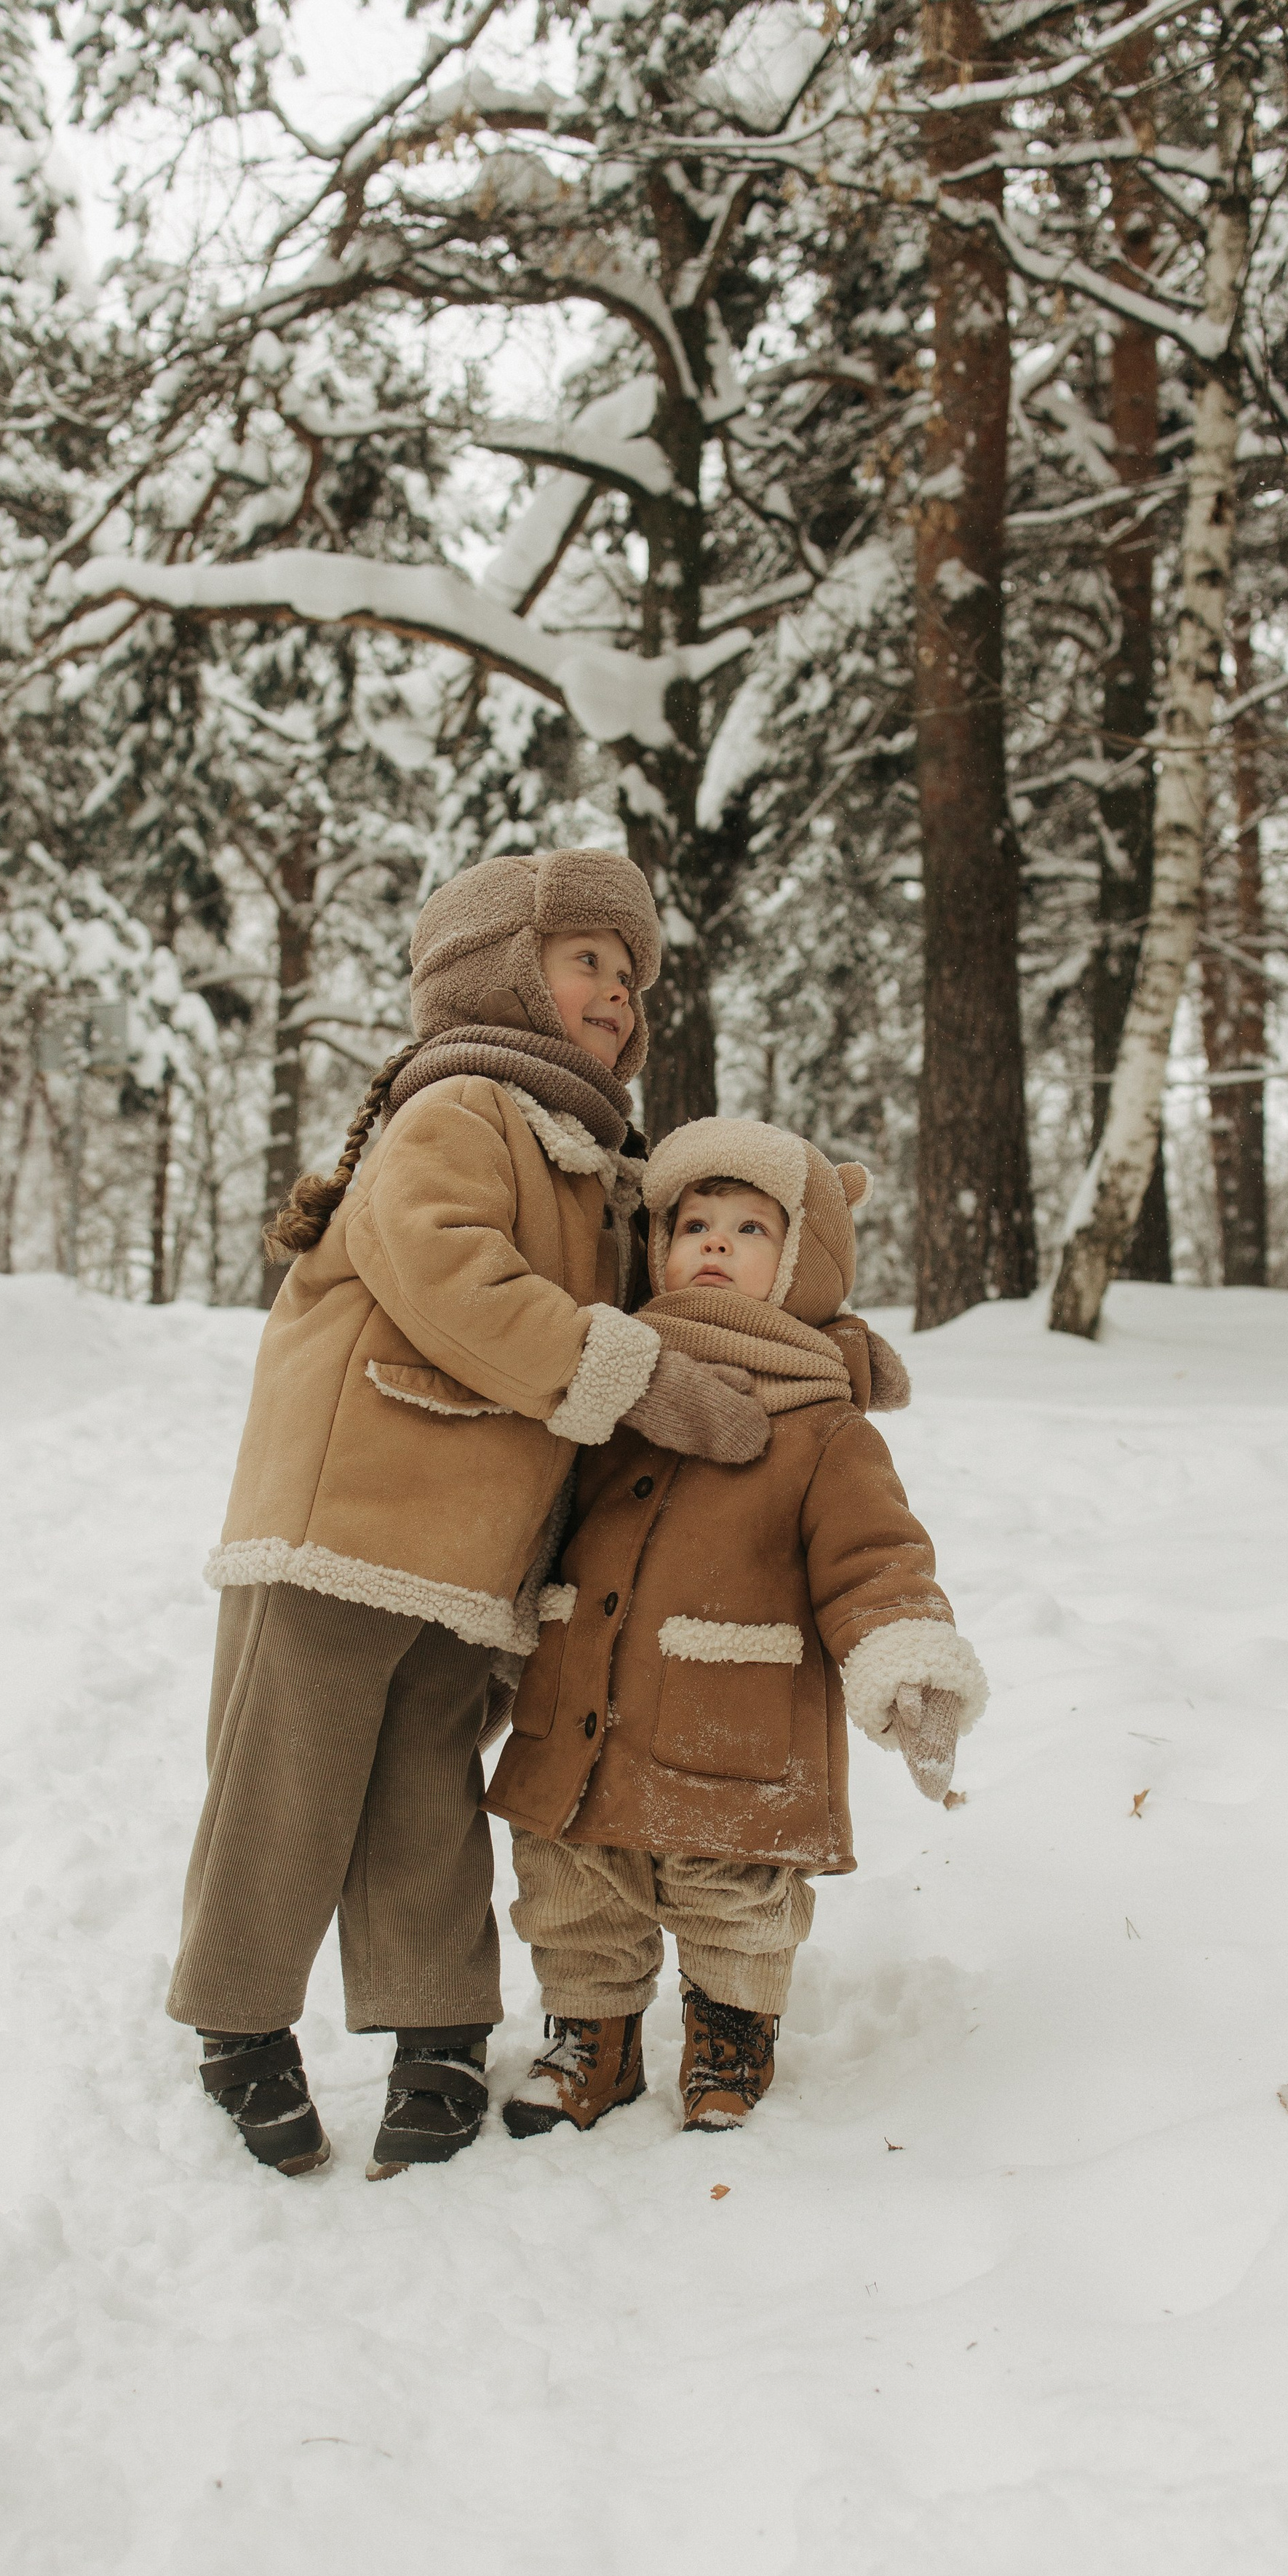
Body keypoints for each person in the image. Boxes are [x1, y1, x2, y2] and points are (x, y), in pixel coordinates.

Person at [170, 853, 768, 2181]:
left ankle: (435, 2025)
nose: (614, 993)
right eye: (585, 963)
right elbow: (450, 1276)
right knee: (289, 1775)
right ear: (500, 968)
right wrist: (640, 1379)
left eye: (629, 973)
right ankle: (238, 2018)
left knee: (427, 1785)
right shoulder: (458, 1108)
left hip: (474, 1548)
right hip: (347, 1515)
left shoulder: (600, 1161)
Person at [488, 1116, 987, 2137]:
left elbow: (875, 1560)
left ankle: (730, 2031)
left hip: (734, 1724)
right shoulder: (611, 1384)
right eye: (694, 1223)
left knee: (735, 1897)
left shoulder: (823, 1427)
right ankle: (594, 2038)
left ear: (803, 1262)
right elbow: (530, 1522)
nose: (714, 1243)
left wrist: (907, 1661)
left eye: (751, 1229)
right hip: (583, 1704)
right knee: (574, 1882)